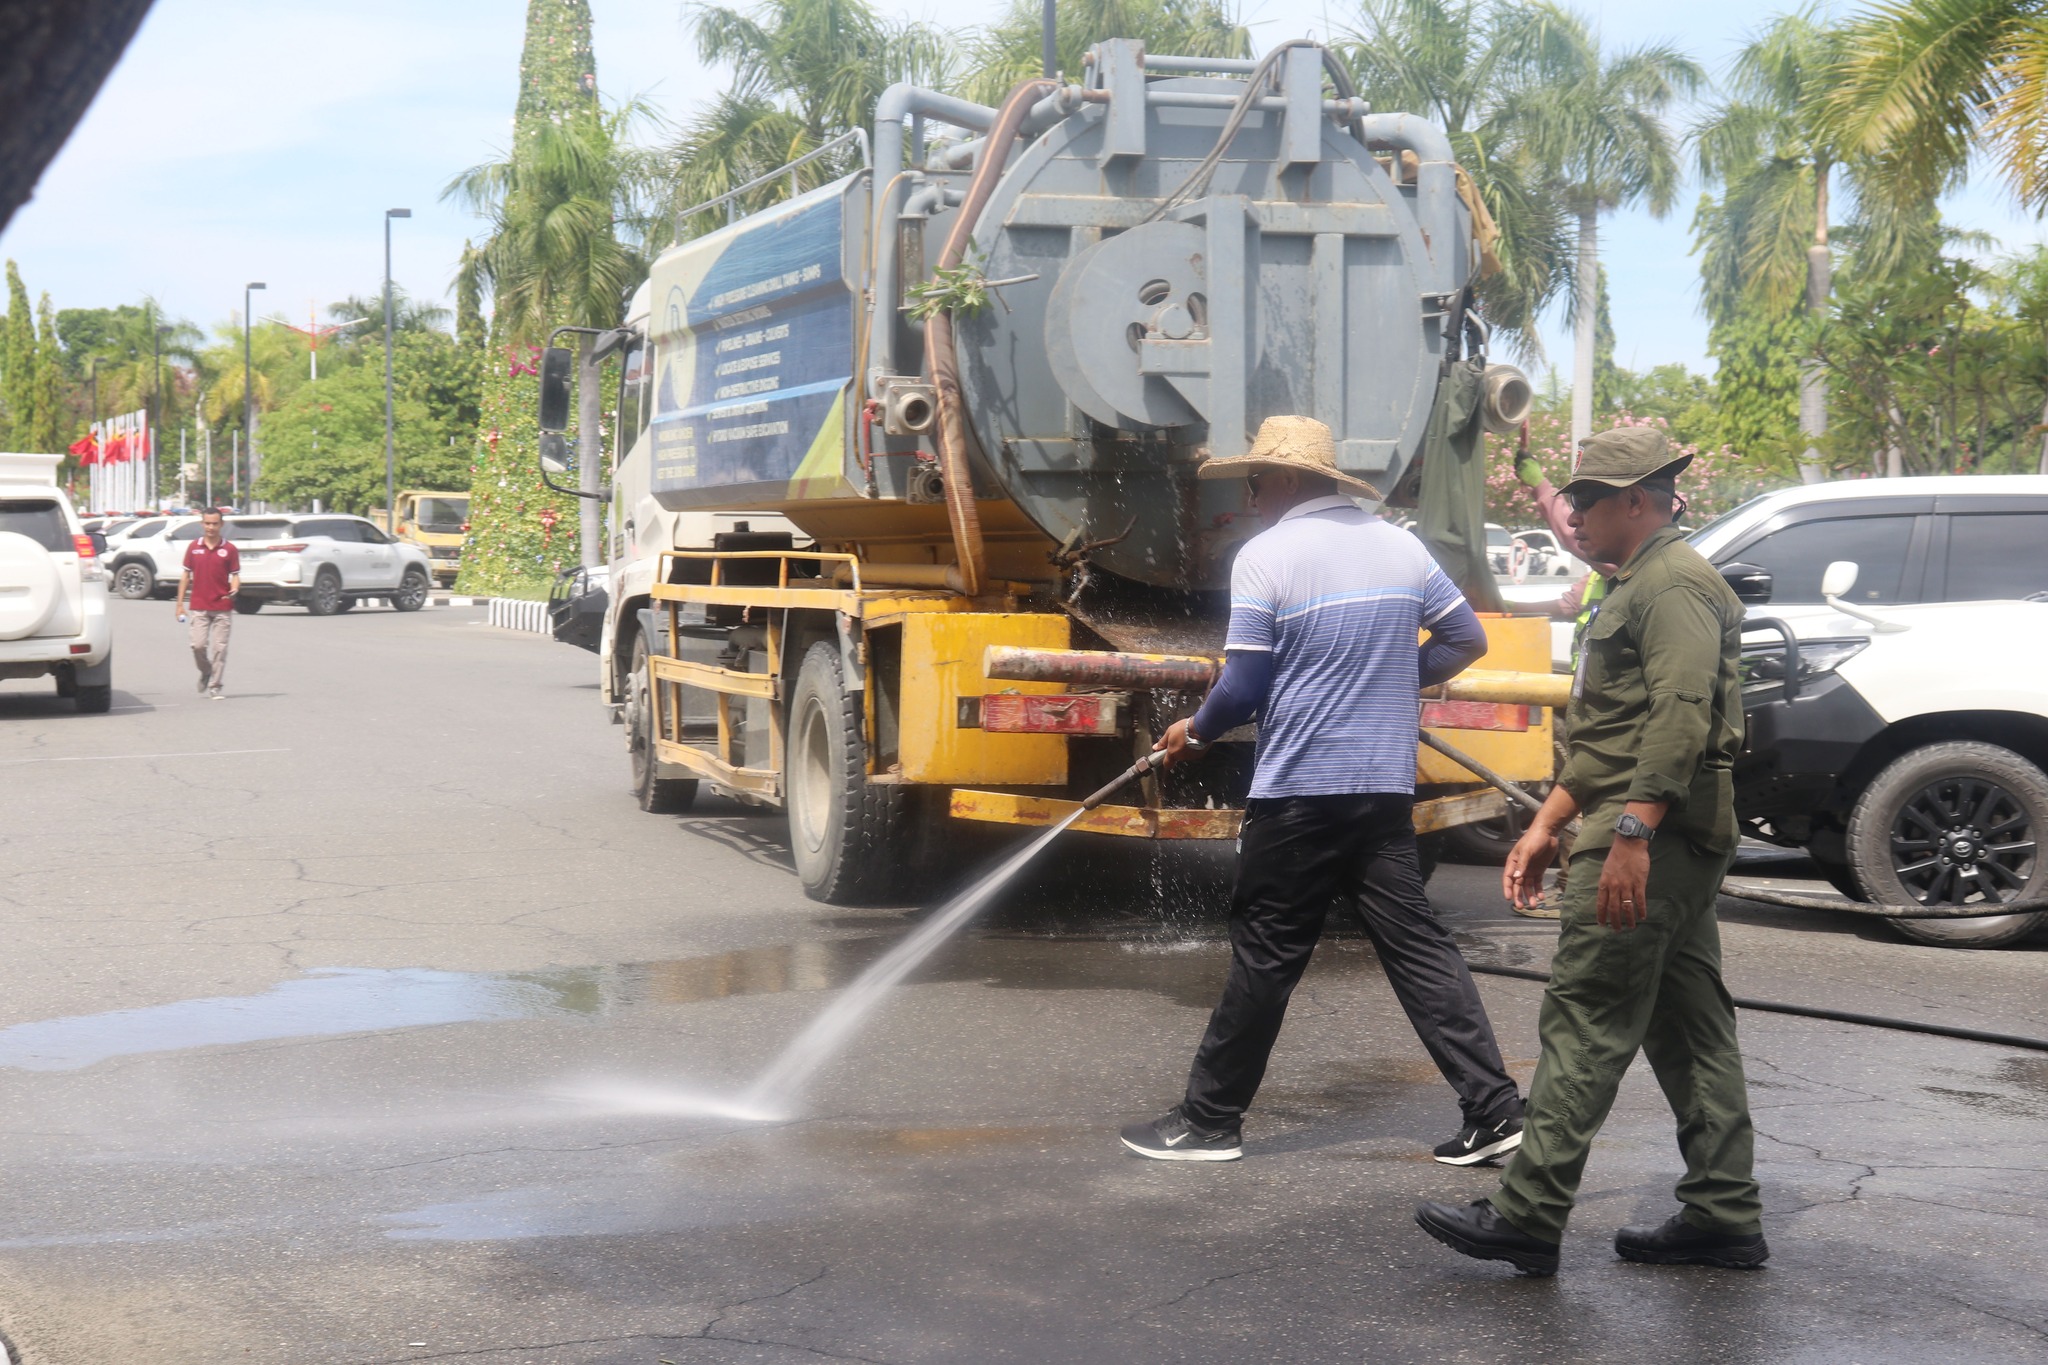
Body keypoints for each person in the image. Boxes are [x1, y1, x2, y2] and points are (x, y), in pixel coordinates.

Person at [1119, 416, 1526, 1167]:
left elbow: (1244, 684)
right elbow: (1467, 639)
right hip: (1381, 790)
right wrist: (1393, 677)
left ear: (1285, 480)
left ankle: (1209, 1121)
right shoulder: (1401, 546)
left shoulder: (1267, 556)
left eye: (1255, 482)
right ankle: (1494, 1107)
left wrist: (1195, 732)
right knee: (1418, 948)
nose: (1250, 497)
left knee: (1266, 955)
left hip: (1300, 795)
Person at [1415, 426, 1765, 1276]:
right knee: (1689, 1026)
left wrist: (1633, 834)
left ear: (1635, 501)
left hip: (1653, 834)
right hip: (1649, 826)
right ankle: (1723, 1211)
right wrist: (1547, 821)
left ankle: (1528, 1213)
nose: (1571, 515)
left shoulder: (1673, 585)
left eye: (1585, 500)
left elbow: (1680, 717)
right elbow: (1612, 734)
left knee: (1588, 1014)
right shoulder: (1638, 583)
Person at [175, 508, 240, 699]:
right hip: (199, 606)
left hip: (222, 607)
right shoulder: (194, 547)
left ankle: (215, 686)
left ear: (221, 525)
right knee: (198, 645)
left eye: (215, 524)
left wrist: (235, 588)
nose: (211, 527)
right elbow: (185, 576)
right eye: (207, 523)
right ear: (202, 524)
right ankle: (206, 670)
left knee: (220, 648)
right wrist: (179, 604)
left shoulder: (229, 549)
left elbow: (235, 575)